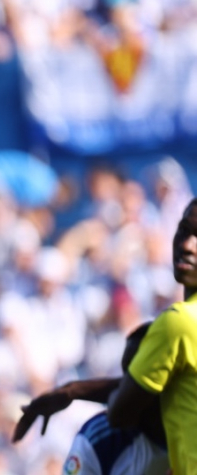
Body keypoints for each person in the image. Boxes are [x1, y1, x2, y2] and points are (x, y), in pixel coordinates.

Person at [108, 198, 197, 475]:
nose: (187, 245)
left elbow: (121, 413)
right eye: (184, 230)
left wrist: (74, 392)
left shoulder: (178, 322)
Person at [12, 322, 169, 475]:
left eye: (133, 378)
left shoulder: (189, 420)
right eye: (125, 376)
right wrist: (72, 391)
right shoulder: (99, 439)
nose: (121, 390)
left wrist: (74, 391)